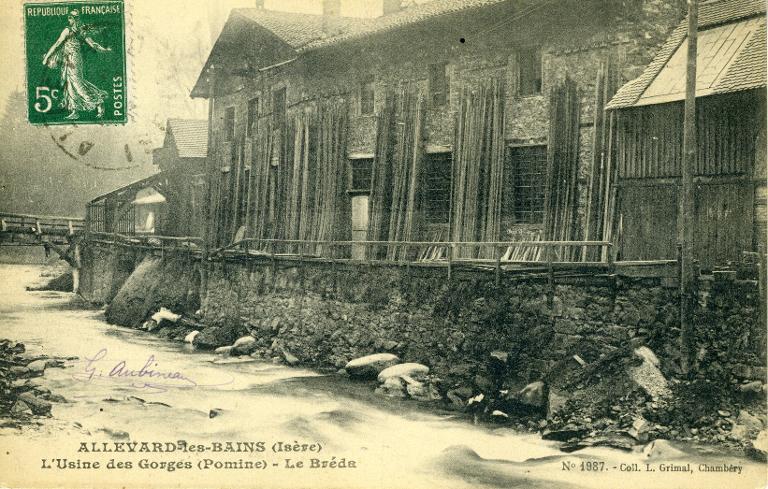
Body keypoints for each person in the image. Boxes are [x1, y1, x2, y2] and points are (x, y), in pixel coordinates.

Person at [42, 10, 111, 120]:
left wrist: (104, 50)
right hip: (68, 59)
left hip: (74, 59)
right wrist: (104, 49)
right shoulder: (74, 31)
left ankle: (98, 102)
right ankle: (74, 111)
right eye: (69, 18)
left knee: (77, 83)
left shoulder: (77, 31)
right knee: (69, 84)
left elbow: (92, 44)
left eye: (71, 18)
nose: (69, 20)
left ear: (75, 19)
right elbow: (57, 44)